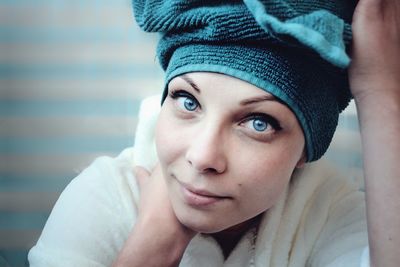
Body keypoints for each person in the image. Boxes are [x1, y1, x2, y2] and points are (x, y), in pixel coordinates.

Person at [28, 0, 400, 266]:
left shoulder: (328, 212)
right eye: (188, 101)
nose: (203, 156)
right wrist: (151, 250)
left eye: (258, 123)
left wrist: (380, 91)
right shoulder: (106, 197)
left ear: (306, 149)